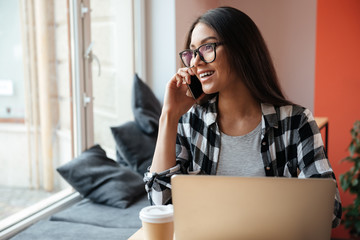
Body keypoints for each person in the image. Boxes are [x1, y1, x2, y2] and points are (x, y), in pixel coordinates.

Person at [144, 6, 341, 228]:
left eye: (207, 47)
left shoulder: (296, 122)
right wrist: (168, 116)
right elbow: (160, 205)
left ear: (241, 49)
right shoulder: (189, 122)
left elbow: (329, 212)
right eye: (192, 52)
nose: (195, 62)